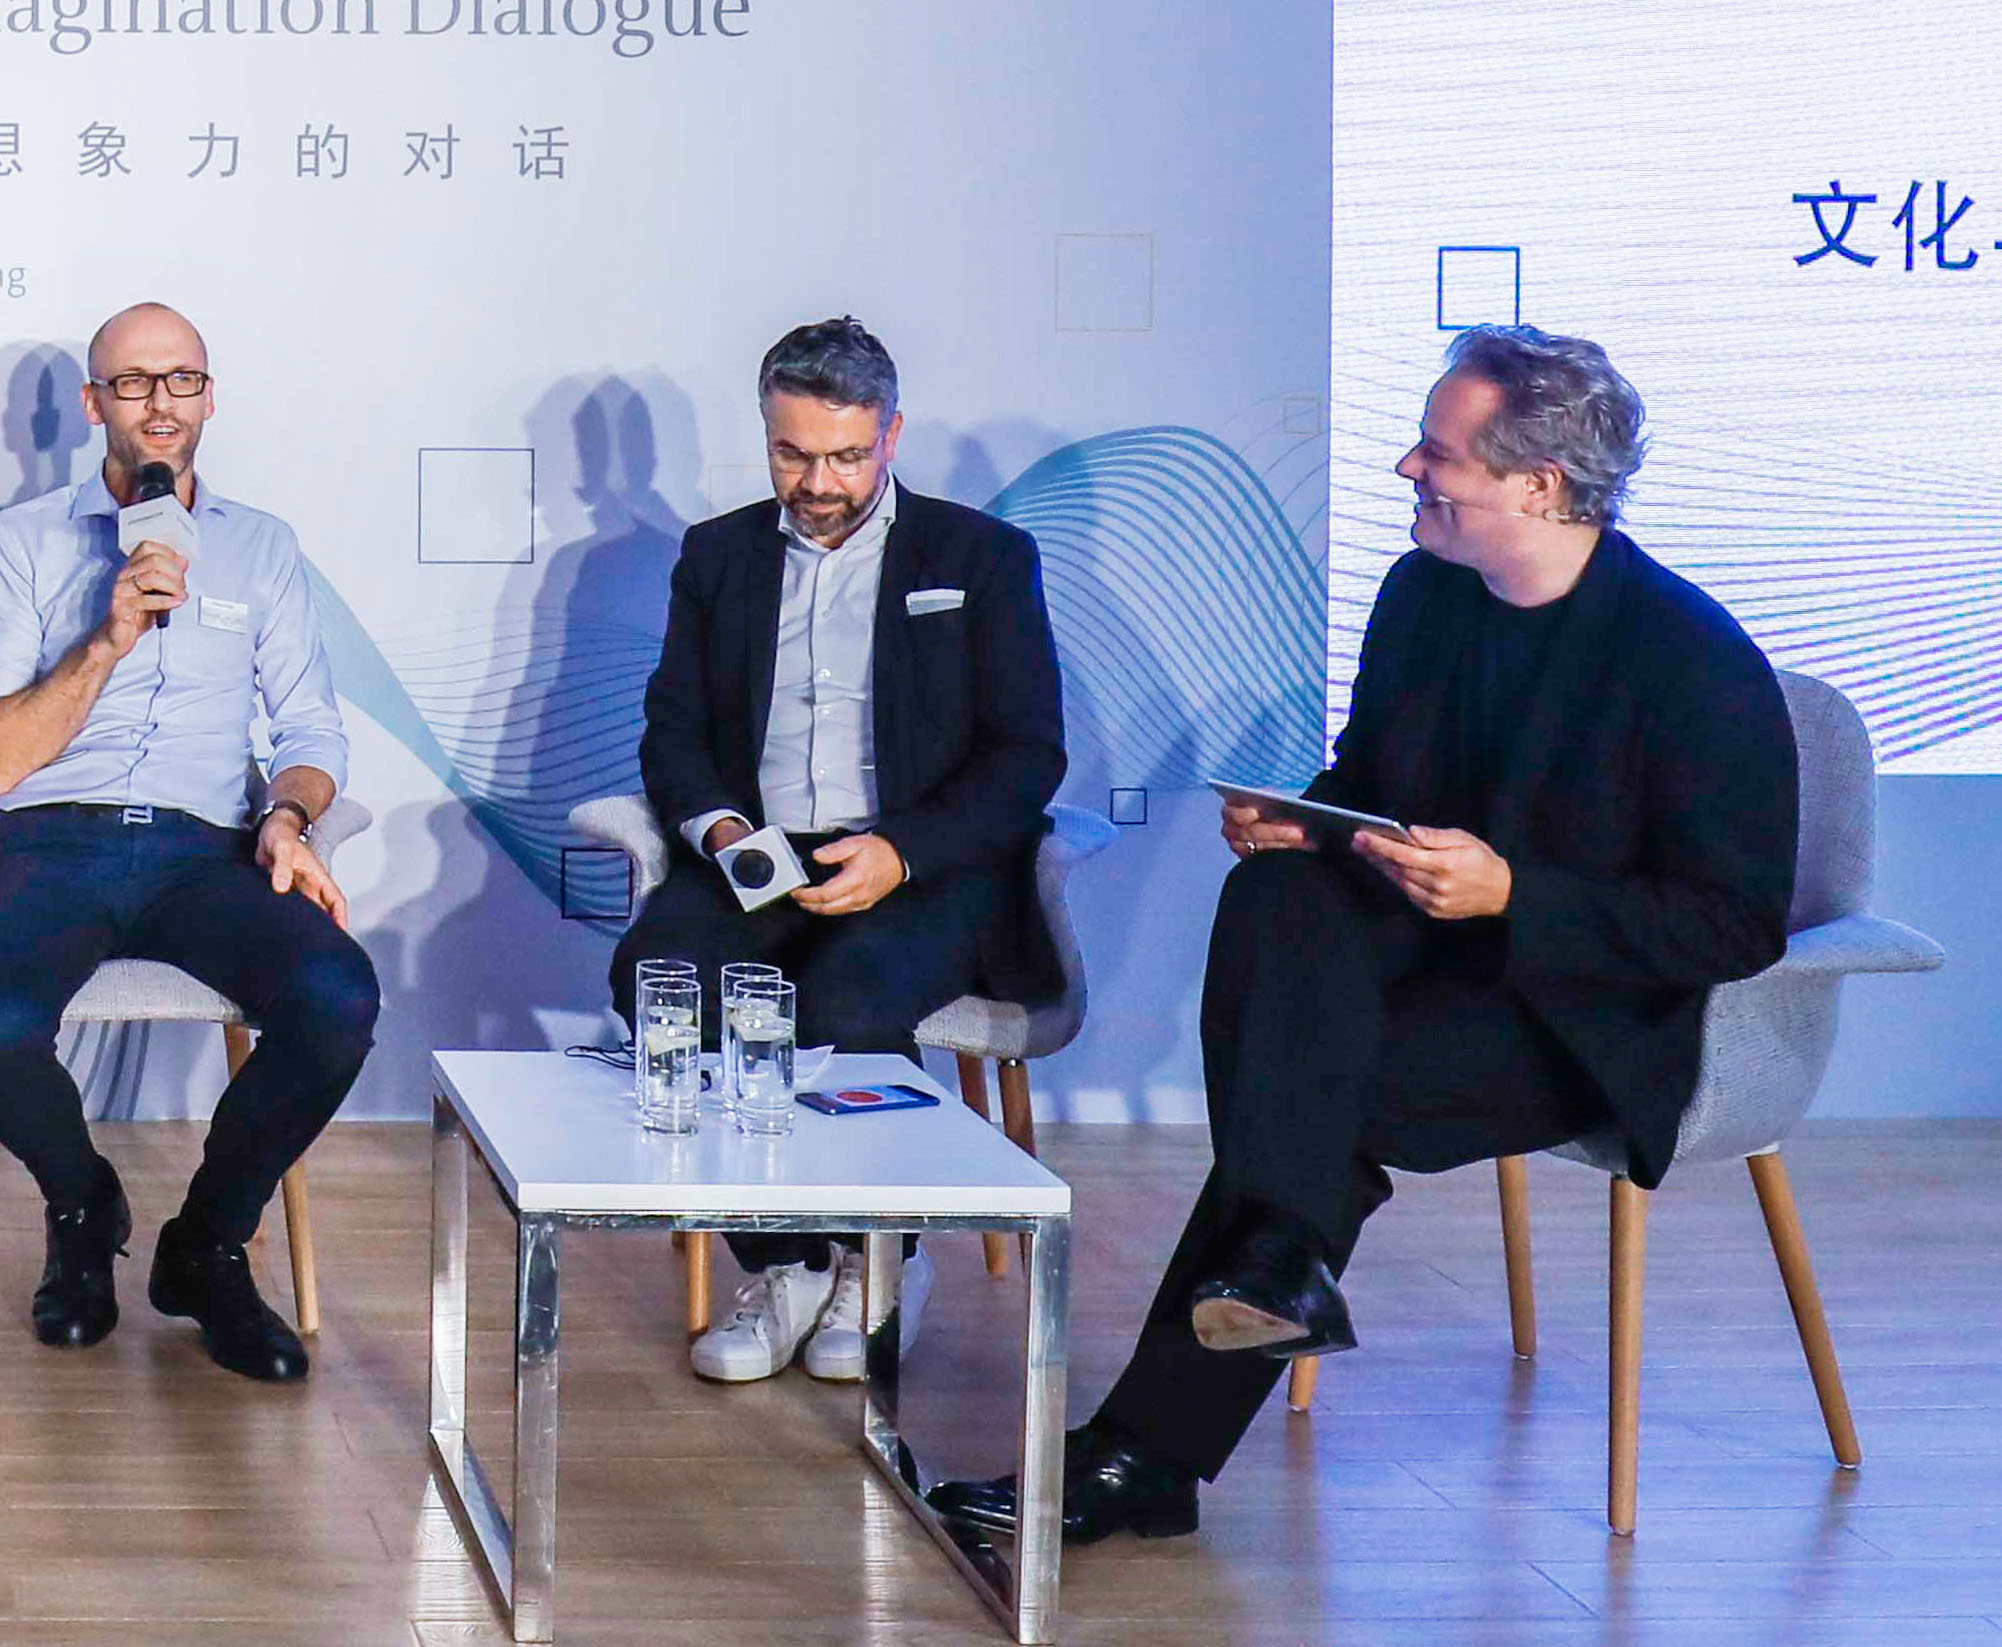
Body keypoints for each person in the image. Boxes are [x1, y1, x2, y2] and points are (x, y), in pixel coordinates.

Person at [932, 325, 1794, 1554]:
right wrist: (1311, 822)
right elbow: (1378, 785)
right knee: (1276, 902)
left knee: (1308, 1101)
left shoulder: (1691, 662)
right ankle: (1257, 1288)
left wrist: (1513, 894)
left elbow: (1734, 921)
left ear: (1537, 484)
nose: (1406, 468)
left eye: (1437, 453)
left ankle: (1152, 1441)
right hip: (1418, 960)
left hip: (1577, 1017)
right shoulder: (1423, 592)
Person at [611, 315, 1071, 1387]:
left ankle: (881, 1259)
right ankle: (788, 1259)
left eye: (846, 455)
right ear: (764, 433)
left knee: (847, 1001)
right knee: (659, 978)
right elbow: (672, 731)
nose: (817, 482)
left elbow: (1028, 753)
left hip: (920, 861)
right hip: (760, 856)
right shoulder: (717, 555)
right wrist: (723, 830)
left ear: (891, 434)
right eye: (792, 453)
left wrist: (900, 852)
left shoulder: (980, 556)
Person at [0, 303, 379, 1381]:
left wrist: (286, 818)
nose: (161, 402)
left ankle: (206, 1246)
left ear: (209, 395)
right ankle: (83, 1204)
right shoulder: (22, 540)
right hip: (55, 842)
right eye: (133, 382)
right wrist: (110, 633)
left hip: (206, 851)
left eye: (181, 378)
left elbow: (311, 731)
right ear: (95, 405)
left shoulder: (261, 546)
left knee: (337, 997)